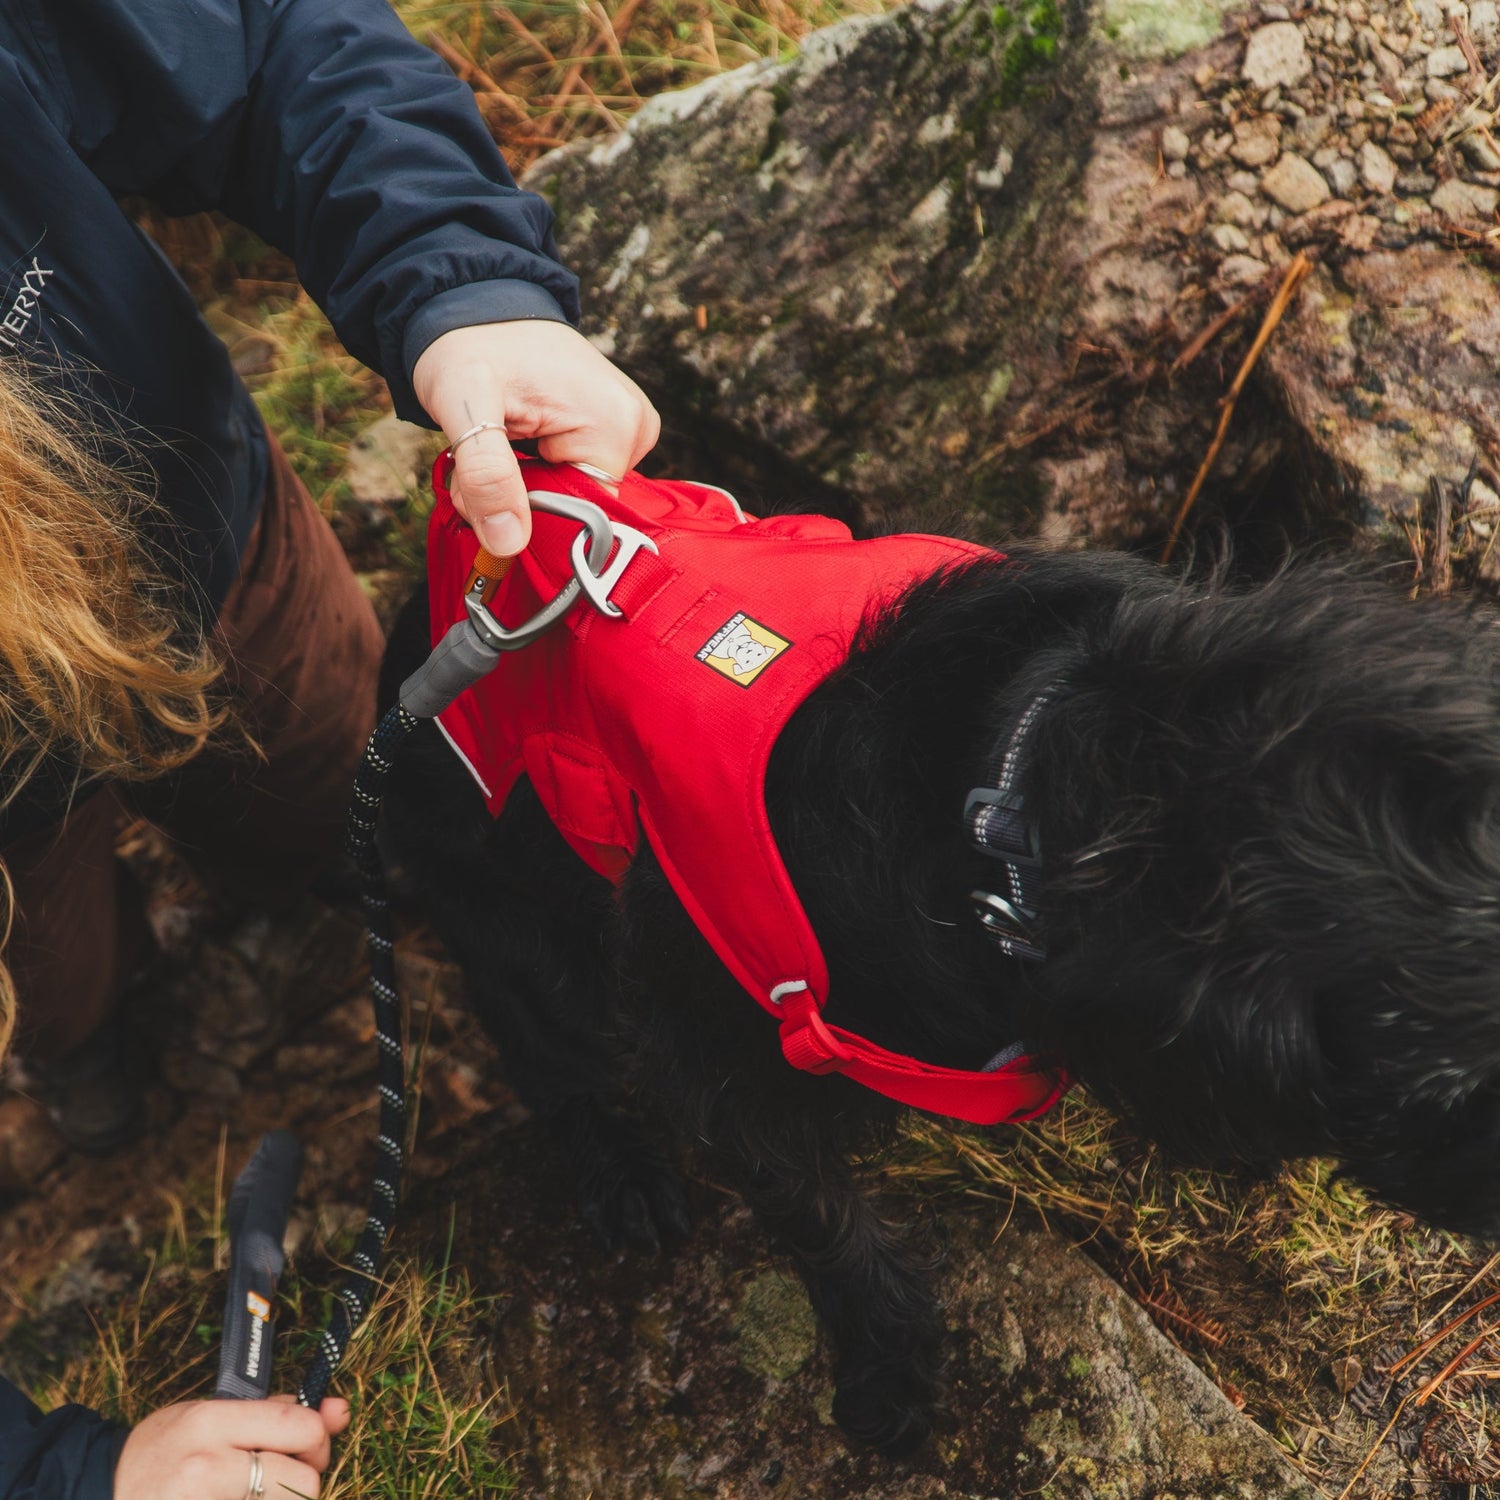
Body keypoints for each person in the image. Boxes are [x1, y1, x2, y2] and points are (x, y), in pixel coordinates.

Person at [0, 0, 658, 1492]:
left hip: (211, 566)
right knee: (63, 975)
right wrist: (68, 1475)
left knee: (336, 789)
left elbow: (261, 38)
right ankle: (90, 1042)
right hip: (10, 826)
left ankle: (332, 883)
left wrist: (463, 284)